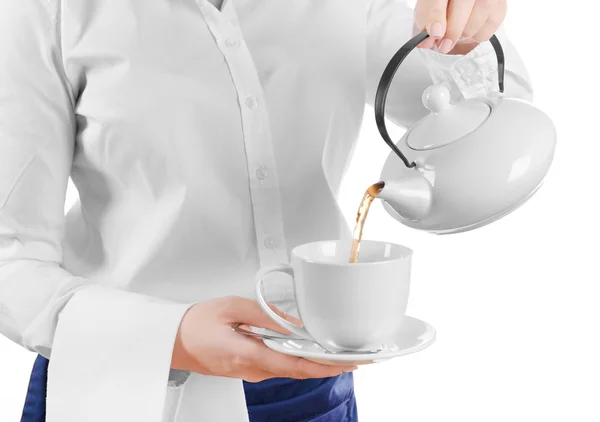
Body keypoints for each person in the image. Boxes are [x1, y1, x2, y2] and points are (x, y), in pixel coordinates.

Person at [0, 0, 532, 420]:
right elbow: (10, 258)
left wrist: (467, 34)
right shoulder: (50, 9)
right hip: (124, 388)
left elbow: (486, 113)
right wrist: (173, 334)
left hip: (314, 387)